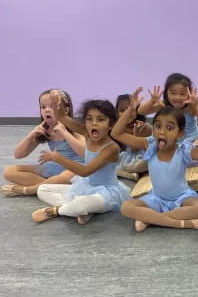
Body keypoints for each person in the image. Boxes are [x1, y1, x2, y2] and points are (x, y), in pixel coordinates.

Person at [111, 88, 198, 232]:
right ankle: (179, 223)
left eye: (169, 128)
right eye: (158, 126)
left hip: (182, 197)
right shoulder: (149, 146)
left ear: (180, 133)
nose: (162, 131)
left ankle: (151, 219)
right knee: (126, 207)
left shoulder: (182, 150)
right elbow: (116, 133)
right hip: (156, 198)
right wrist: (130, 111)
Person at [32, 92, 129, 224]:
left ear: (110, 124)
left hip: (107, 192)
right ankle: (81, 210)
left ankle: (57, 210)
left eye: (100, 119)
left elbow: (85, 171)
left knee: (82, 203)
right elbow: (62, 117)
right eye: (89, 119)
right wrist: (59, 103)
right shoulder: (86, 133)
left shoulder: (112, 148)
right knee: (43, 189)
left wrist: (57, 157)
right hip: (87, 186)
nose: (94, 124)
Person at [2, 89, 85, 196]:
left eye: (52, 107)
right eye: (43, 107)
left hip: (74, 167)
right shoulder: (45, 129)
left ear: (66, 110)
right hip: (55, 166)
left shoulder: (73, 128)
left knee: (67, 175)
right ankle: (54, 186)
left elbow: (85, 153)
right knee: (9, 171)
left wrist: (65, 133)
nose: (47, 110)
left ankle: (30, 189)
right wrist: (31, 135)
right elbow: (18, 155)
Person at [137, 73, 198, 143]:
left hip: (189, 141)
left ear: (189, 93)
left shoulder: (190, 106)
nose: (177, 97)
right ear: (166, 93)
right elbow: (141, 111)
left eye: (182, 94)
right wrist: (151, 101)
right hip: (166, 141)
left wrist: (195, 104)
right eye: (173, 93)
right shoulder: (163, 104)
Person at [115, 94, 152, 181]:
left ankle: (134, 170)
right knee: (111, 166)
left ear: (137, 110)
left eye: (130, 109)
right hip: (127, 157)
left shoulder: (144, 126)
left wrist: (137, 134)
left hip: (141, 156)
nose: (126, 113)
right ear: (116, 113)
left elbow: (137, 149)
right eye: (121, 110)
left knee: (143, 163)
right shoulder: (118, 128)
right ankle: (129, 174)